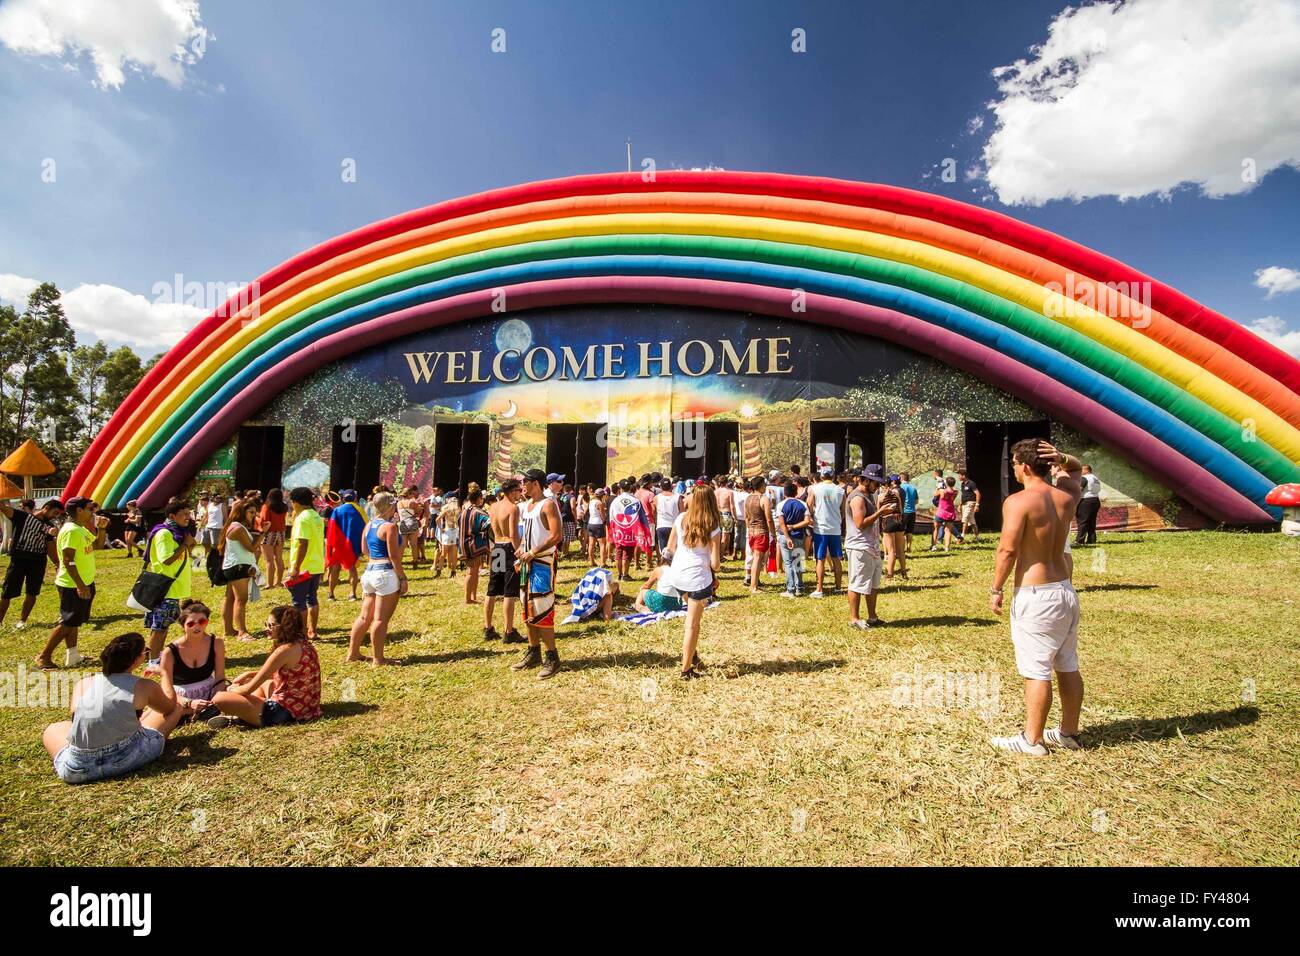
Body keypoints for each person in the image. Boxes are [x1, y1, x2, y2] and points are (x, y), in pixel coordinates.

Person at [989, 440, 1085, 756]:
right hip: (1065, 591)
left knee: (1037, 669)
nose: (1014, 469)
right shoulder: (1066, 496)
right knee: (1067, 665)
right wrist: (1063, 457)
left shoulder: (1018, 501)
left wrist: (996, 587)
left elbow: (1008, 549)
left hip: (1036, 594)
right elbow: (1074, 469)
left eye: (1015, 464)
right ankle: (1068, 733)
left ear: (1025, 466)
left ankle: (1032, 740)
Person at [43, 632, 187, 783]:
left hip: (77, 768)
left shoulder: (84, 683)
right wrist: (165, 674)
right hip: (127, 758)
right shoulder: (143, 686)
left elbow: (78, 719)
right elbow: (169, 708)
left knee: (54, 728)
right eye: (145, 652)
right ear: (137, 659)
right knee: (177, 706)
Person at [208, 604, 322, 729]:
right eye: (266, 624)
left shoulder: (284, 650)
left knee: (219, 698)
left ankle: (244, 717)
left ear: (285, 627)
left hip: (283, 713)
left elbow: (247, 690)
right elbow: (283, 673)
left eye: (270, 625)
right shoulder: (304, 644)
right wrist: (249, 674)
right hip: (307, 707)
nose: (266, 629)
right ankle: (245, 716)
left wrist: (231, 689)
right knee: (264, 684)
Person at [36, 497, 107, 669]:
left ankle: (72, 656)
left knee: (74, 621)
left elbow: (97, 545)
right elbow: (68, 560)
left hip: (83, 581)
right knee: (68, 622)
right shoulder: (71, 531)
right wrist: (80, 585)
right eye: (90, 509)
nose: (93, 512)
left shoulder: (79, 529)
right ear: (79, 510)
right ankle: (43, 656)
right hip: (72, 584)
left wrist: (102, 528)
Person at [510, 469, 564, 679]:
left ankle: (552, 657)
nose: (522, 485)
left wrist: (533, 551)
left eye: (526, 482)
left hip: (541, 563)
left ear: (537, 484)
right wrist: (522, 548)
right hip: (527, 563)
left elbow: (556, 535)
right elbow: (529, 533)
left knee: (542, 608)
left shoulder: (548, 504)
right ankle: (533, 652)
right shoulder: (528, 506)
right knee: (527, 606)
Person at [664, 484, 721, 680]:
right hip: (697, 579)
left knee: (691, 617)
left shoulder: (680, 519)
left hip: (677, 575)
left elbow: (669, 548)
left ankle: (692, 653)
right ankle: (686, 669)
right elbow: (715, 563)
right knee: (692, 624)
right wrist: (715, 571)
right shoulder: (713, 525)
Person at [348, 491, 408, 665]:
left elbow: (365, 550)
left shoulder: (369, 525)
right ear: (390, 506)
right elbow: (394, 556)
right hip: (385, 572)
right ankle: (378, 658)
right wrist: (403, 578)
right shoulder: (390, 527)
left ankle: (353, 653)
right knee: (380, 619)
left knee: (364, 617)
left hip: (370, 571)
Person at [140, 497, 196, 665]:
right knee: (160, 628)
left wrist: (188, 545)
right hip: (166, 589)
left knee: (161, 625)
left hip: (173, 588)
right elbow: (167, 560)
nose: (188, 517)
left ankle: (154, 655)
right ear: (172, 516)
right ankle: (154, 660)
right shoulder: (164, 533)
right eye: (183, 514)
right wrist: (185, 545)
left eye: (189, 513)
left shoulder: (177, 533)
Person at [846, 466, 896, 629]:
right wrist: (880, 512)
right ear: (865, 480)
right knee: (857, 584)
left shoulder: (869, 495)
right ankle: (854, 619)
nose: (878, 486)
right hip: (859, 546)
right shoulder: (857, 498)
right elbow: (860, 524)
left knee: (873, 585)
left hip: (872, 546)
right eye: (876, 483)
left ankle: (872, 617)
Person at [0, 497, 61, 629]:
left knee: (32, 592)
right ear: (46, 508)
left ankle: (22, 620)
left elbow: (50, 548)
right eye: (54, 513)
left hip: (38, 562)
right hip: (18, 560)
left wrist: (57, 563)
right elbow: (4, 508)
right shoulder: (21, 516)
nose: (55, 517)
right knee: (7, 592)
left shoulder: (50, 527)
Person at [158, 601, 227, 717]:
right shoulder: (169, 652)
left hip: (211, 691)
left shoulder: (216, 643)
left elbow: (220, 677)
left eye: (202, 622)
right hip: (180, 698)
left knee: (234, 695)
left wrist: (217, 696)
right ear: (183, 625)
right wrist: (189, 702)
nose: (197, 627)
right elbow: (166, 689)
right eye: (190, 624)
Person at [485, 479, 525, 643]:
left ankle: (488, 627)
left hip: (497, 548)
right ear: (512, 491)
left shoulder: (494, 507)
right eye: (519, 490)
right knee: (510, 591)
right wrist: (520, 551)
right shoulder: (513, 508)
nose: (521, 493)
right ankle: (509, 631)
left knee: (492, 589)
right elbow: (513, 535)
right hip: (509, 549)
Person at [286, 486, 326, 639]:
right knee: (312, 598)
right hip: (316, 565)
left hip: (304, 567)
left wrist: (295, 567)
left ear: (296, 502)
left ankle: (302, 633)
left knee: (298, 602)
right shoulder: (316, 516)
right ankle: (312, 631)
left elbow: (303, 543)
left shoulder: (302, 518)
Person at [220, 498, 261, 641]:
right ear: (241, 512)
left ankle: (229, 630)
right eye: (250, 512)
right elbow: (251, 548)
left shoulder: (236, 526)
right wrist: (263, 533)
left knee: (230, 598)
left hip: (235, 565)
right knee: (241, 599)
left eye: (255, 513)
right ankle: (242, 632)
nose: (253, 516)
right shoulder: (237, 528)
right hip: (238, 567)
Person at [808, 467, 845, 598]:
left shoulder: (815, 489)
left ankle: (819, 589)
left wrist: (811, 517)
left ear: (822, 476)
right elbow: (843, 510)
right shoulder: (840, 490)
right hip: (835, 528)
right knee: (836, 558)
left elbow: (809, 505)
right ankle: (838, 587)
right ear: (833, 476)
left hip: (820, 528)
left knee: (820, 559)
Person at [325, 489, 366, 600]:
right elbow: (365, 528)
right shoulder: (360, 511)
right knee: (352, 569)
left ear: (343, 498)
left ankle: (331, 594)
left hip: (338, 545)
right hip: (352, 546)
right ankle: (352, 594)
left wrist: (331, 545)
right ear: (355, 498)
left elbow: (331, 528)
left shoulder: (337, 510)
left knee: (335, 569)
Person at [608, 479, 651, 581]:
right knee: (627, 553)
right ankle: (625, 575)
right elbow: (642, 517)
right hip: (631, 530)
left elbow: (611, 516)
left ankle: (619, 574)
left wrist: (612, 530)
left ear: (620, 488)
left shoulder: (615, 500)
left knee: (618, 552)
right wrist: (645, 530)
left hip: (618, 529)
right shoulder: (636, 500)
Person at [775, 480, 811, 597]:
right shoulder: (803, 504)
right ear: (796, 493)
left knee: (788, 563)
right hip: (799, 536)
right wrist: (794, 527)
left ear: (784, 493)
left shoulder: (781, 505)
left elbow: (781, 523)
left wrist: (787, 536)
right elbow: (807, 521)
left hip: (785, 537)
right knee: (798, 562)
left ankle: (790, 590)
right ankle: (800, 587)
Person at [459, 485, 492, 604]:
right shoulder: (479, 512)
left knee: (474, 571)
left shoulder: (464, 511)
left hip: (464, 544)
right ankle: (468, 598)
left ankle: (473, 596)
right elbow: (489, 525)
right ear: (479, 498)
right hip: (474, 545)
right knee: (472, 572)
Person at [743, 475, 775, 593]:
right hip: (761, 532)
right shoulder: (764, 499)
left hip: (751, 532)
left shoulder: (748, 499)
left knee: (755, 558)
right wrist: (773, 534)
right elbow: (769, 519)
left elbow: (746, 517)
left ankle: (754, 582)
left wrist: (750, 529)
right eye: (764, 485)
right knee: (757, 559)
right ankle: (753, 586)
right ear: (761, 486)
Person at [258, 488, 289, 588]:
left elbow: (265, 522)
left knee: (269, 560)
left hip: (269, 533)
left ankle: (269, 584)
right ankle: (278, 582)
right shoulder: (284, 506)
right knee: (279, 558)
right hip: (281, 533)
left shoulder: (267, 506)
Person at [880, 476, 907, 580]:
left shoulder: (881, 496)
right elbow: (900, 508)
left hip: (888, 521)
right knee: (900, 550)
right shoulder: (897, 494)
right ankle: (904, 572)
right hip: (899, 519)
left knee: (891, 550)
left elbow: (879, 511)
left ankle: (890, 574)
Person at [396, 486, 425, 568]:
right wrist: (419, 509)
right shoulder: (412, 502)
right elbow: (418, 512)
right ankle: (415, 562)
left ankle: (399, 563)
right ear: (409, 494)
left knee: (402, 545)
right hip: (412, 523)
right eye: (412, 493)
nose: (413, 495)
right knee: (414, 544)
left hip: (403, 524)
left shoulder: (399, 503)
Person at [1074, 464, 1103, 545]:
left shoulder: (1084, 478)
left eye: (1081, 470)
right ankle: (1092, 539)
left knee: (1082, 521)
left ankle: (1079, 541)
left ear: (1086, 470)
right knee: (1091, 521)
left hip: (1086, 500)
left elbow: (1079, 489)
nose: (1080, 472)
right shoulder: (1096, 478)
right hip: (1095, 500)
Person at [654, 479, 682, 558]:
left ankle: (664, 565)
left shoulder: (656, 498)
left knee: (663, 551)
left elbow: (654, 511)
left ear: (661, 487)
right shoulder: (678, 497)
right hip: (674, 526)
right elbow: (682, 513)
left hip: (661, 526)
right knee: (675, 549)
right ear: (671, 486)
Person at [436, 495, 461, 577]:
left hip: (448, 531)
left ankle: (439, 571)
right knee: (454, 554)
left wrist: (440, 528)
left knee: (443, 553)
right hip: (456, 531)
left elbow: (437, 519)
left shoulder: (447, 509)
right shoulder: (459, 510)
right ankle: (453, 572)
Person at [934, 477, 960, 552]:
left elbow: (935, 495)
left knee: (936, 529)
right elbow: (952, 498)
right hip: (950, 512)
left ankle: (934, 545)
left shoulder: (942, 491)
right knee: (948, 530)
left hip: (941, 512)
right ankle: (947, 547)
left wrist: (938, 486)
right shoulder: (956, 492)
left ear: (946, 483)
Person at [713, 476, 736, 559]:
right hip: (726, 514)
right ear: (727, 482)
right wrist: (735, 517)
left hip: (716, 514)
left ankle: (717, 554)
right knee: (725, 536)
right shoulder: (729, 492)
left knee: (716, 535)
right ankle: (720, 556)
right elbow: (732, 506)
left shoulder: (715, 492)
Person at [587, 487, 609, 568]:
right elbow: (602, 515)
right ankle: (603, 563)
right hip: (598, 524)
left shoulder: (591, 501)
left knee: (591, 544)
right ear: (602, 495)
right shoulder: (600, 503)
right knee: (602, 544)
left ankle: (592, 561)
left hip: (590, 523)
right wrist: (605, 522)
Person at [200, 491, 225, 559]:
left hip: (217, 527)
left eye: (220, 498)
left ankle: (218, 558)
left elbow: (226, 517)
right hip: (207, 527)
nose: (219, 499)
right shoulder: (209, 505)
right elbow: (206, 516)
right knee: (204, 543)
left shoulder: (222, 505)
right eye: (217, 498)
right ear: (213, 498)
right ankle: (209, 555)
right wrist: (201, 524)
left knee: (215, 545)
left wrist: (225, 528)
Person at [958, 469, 982, 542]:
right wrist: (960, 505)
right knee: (972, 522)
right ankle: (977, 537)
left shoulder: (971, 483)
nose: (958, 477)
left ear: (963, 476)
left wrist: (977, 505)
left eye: (959, 476)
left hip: (971, 503)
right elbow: (963, 495)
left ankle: (962, 537)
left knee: (965, 519)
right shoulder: (962, 484)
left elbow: (978, 494)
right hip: (964, 504)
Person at [899, 472, 919, 552]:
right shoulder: (913, 488)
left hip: (904, 511)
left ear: (901, 478)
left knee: (902, 531)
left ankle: (902, 548)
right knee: (910, 531)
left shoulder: (901, 487)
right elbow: (917, 501)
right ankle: (909, 547)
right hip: (912, 512)